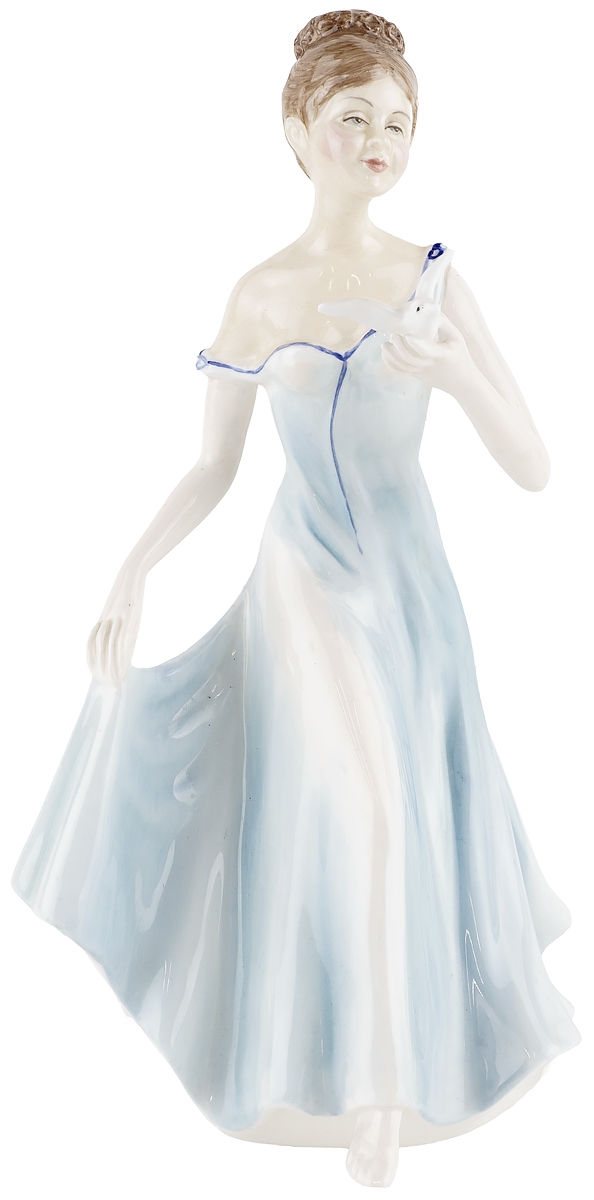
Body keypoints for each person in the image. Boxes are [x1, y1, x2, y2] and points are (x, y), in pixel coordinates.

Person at [12, 10, 580, 1189]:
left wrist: (455, 371)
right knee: (362, 809)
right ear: (297, 129)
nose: (379, 141)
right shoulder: (261, 293)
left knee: (407, 813)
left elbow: (534, 463)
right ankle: (373, 1090)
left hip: (413, 593)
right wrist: (132, 566)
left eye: (400, 125)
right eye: (354, 117)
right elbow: (212, 466)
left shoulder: (432, 278)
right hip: (302, 582)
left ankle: (381, 1059)